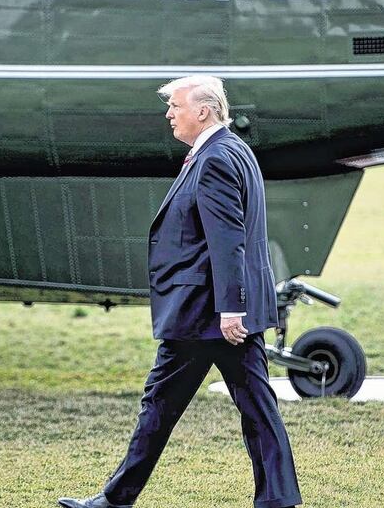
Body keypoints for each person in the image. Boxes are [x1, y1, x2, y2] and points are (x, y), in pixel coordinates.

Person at [58, 76, 302, 508]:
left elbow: (228, 240)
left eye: (175, 106)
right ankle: (277, 500)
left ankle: (116, 500)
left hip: (205, 314)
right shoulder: (232, 150)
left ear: (203, 111)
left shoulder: (215, 159)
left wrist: (230, 309)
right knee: (257, 410)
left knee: (160, 406)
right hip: (223, 313)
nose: (169, 114)